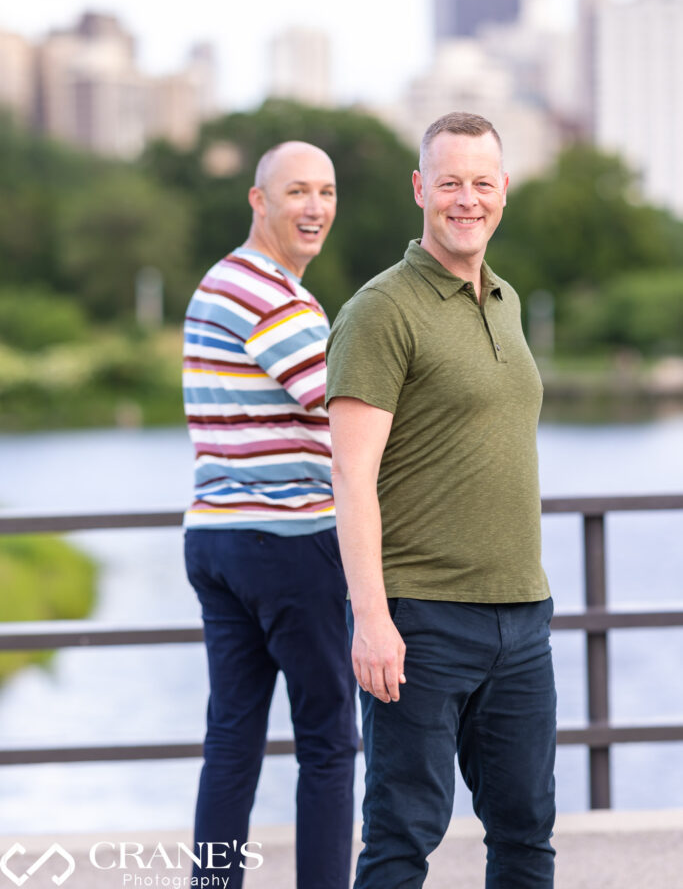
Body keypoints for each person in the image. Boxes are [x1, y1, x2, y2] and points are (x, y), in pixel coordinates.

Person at [326, 112, 556, 888]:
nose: (467, 199)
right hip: (420, 619)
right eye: (450, 182)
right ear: (420, 189)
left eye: (481, 183)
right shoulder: (380, 311)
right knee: (400, 838)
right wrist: (371, 620)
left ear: (503, 192)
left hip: (521, 617)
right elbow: (350, 476)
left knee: (526, 836)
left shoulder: (506, 299)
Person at [183, 141, 357, 889]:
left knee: (231, 739)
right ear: (258, 201)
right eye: (296, 193)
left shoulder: (221, 279)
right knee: (327, 743)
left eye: (324, 192)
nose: (314, 207)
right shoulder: (271, 293)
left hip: (216, 537)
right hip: (287, 541)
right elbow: (340, 400)